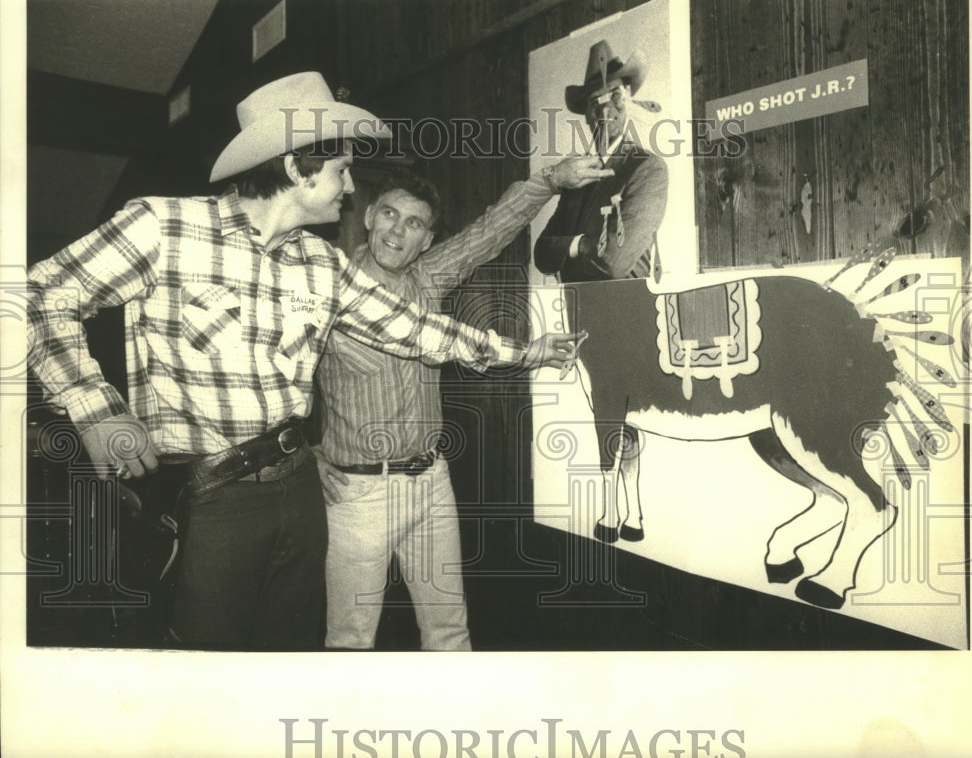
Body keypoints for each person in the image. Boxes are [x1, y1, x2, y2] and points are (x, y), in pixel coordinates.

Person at [24, 71, 584, 650]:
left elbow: (418, 331)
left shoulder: (321, 262)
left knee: (292, 658)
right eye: (341, 170)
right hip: (211, 498)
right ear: (297, 167)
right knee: (208, 669)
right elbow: (37, 297)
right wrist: (93, 408)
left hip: (298, 492)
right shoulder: (164, 226)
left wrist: (523, 352)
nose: (348, 190)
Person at [315, 156, 610, 651]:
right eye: (388, 214)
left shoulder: (427, 278)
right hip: (360, 493)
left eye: (414, 224)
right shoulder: (325, 289)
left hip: (431, 484)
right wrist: (309, 456)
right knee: (350, 641)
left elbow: (490, 231)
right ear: (367, 216)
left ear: (426, 239)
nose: (397, 231)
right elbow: (286, 374)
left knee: (450, 631)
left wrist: (551, 181)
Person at [533, 40, 669, 282]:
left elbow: (613, 262)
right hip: (576, 312)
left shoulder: (647, 168)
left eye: (614, 96)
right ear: (585, 115)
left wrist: (568, 246)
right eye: (595, 102)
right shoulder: (578, 173)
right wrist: (584, 245)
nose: (605, 111)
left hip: (627, 314)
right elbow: (542, 255)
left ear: (628, 100)